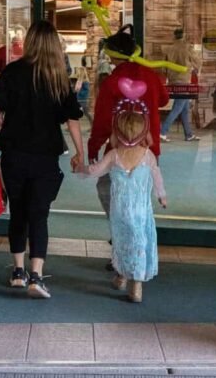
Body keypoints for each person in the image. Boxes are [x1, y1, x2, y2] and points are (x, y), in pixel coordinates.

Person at [0, 20, 84, 299]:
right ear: (55, 46)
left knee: (18, 211)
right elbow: (72, 120)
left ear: (29, 42)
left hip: (14, 154)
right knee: (39, 215)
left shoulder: (13, 72)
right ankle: (37, 277)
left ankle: (18, 272)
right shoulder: (57, 78)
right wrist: (80, 153)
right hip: (45, 157)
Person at [79, 104, 167, 303]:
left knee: (122, 242)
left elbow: (94, 171)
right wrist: (161, 195)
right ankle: (136, 285)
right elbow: (157, 176)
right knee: (139, 243)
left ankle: (122, 276)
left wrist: (80, 169)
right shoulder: (147, 156)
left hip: (119, 210)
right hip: (141, 210)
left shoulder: (114, 155)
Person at [88, 24, 169, 220]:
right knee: (141, 195)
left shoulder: (111, 82)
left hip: (120, 147)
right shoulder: (151, 76)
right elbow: (164, 100)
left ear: (113, 55)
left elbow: (103, 120)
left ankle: (120, 232)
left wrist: (93, 148)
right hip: (148, 146)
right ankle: (138, 232)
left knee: (107, 188)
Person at [160, 28, 201, 142]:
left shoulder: (169, 49)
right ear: (183, 35)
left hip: (173, 80)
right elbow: (197, 61)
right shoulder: (188, 47)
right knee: (178, 108)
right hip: (184, 80)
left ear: (174, 36)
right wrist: (195, 69)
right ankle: (162, 132)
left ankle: (189, 134)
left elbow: (164, 68)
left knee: (184, 109)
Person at [74, 60, 92, 125]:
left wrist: (79, 92)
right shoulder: (79, 80)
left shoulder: (85, 81)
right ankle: (73, 125)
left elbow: (86, 90)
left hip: (83, 99)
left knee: (86, 113)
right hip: (79, 99)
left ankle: (92, 124)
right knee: (75, 112)